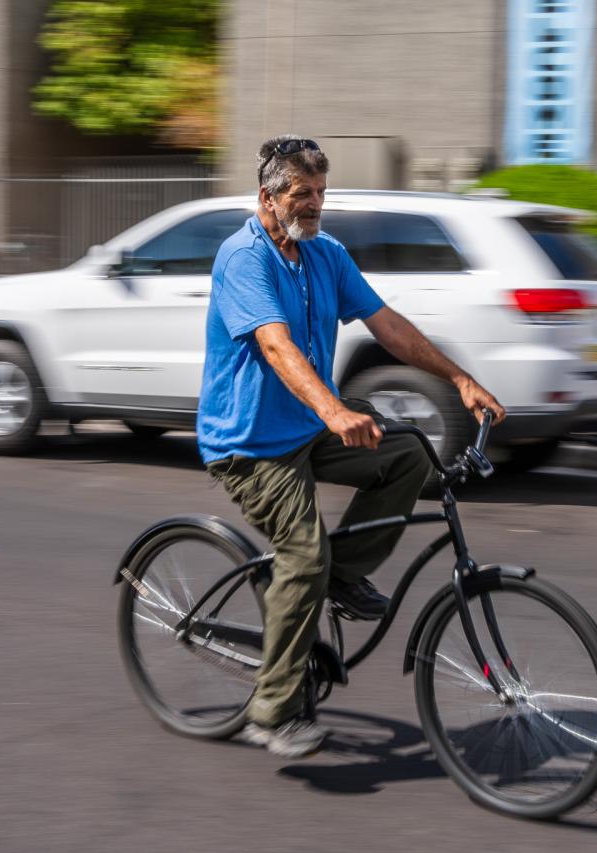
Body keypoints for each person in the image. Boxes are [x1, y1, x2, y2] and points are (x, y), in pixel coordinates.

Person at [197, 135, 505, 758]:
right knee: (303, 556)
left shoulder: (325, 254)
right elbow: (277, 346)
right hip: (251, 445)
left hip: (309, 429)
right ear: (268, 197)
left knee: (408, 456)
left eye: (320, 194)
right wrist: (335, 409)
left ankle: (343, 575)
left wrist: (460, 379)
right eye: (301, 194)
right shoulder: (242, 259)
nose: (313, 205)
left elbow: (386, 325)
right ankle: (273, 710)